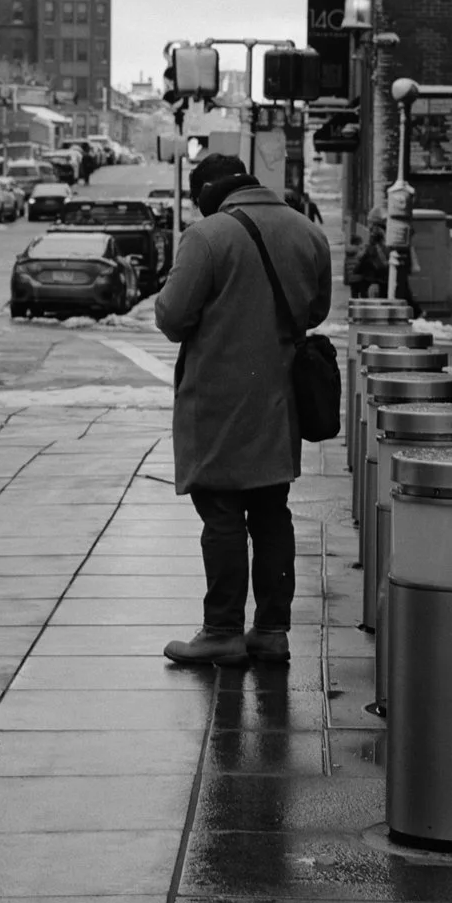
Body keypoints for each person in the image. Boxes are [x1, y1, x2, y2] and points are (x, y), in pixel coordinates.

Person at [154, 152, 332, 666]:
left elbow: (171, 316)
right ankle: (272, 630)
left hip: (218, 402)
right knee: (272, 513)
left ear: (207, 191)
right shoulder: (307, 232)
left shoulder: (207, 236)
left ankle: (222, 630)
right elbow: (315, 310)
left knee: (223, 513)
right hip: (278, 400)